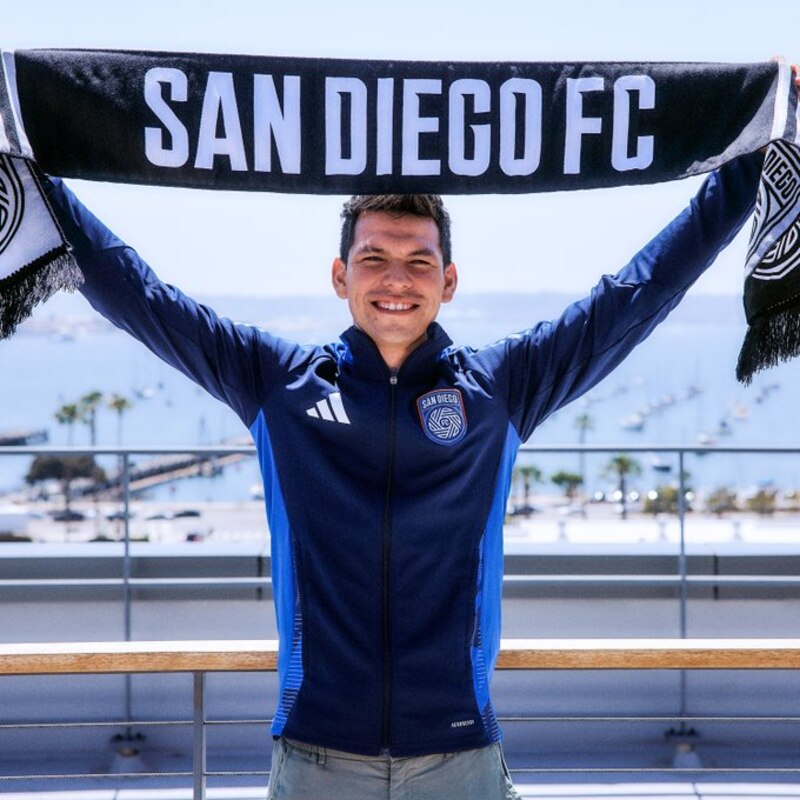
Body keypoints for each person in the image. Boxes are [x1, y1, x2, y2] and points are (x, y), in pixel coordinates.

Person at [41, 121, 773, 796]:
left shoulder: (503, 387)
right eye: (375, 259)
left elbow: (638, 293)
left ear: (448, 282)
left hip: (461, 759)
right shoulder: (276, 382)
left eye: (419, 260)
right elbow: (133, 290)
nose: (397, 279)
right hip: (315, 759)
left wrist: (754, 151)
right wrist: (33, 171)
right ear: (341, 276)